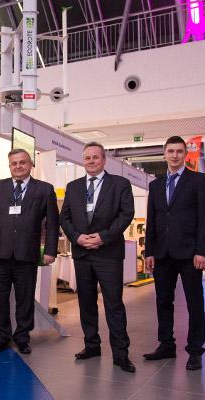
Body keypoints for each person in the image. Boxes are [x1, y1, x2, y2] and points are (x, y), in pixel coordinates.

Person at [60, 142, 136, 373]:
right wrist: (77, 237)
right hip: (82, 252)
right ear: (82, 160)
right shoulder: (73, 187)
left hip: (108, 253)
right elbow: (65, 218)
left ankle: (121, 354)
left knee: (114, 303)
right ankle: (92, 345)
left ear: (104, 160)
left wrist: (104, 237)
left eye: (95, 157)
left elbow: (126, 214)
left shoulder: (120, 184)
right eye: (87, 158)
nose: (91, 161)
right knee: (86, 302)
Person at [0, 149, 59, 355]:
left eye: (22, 162)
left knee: (25, 297)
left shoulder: (45, 189)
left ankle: (23, 337)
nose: (18, 166)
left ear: (31, 164)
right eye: (14, 163)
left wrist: (50, 250)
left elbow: (52, 223)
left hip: (27, 253)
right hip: (0, 253)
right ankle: (1, 336)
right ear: (9, 166)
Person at [144, 136, 205, 371]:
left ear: (185, 154)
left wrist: (202, 250)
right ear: (164, 154)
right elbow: (152, 221)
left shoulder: (199, 180)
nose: (174, 155)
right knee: (163, 300)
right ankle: (166, 344)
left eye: (179, 151)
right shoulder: (155, 185)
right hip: (162, 253)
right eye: (170, 151)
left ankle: (195, 350)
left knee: (194, 302)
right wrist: (149, 251)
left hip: (190, 253)